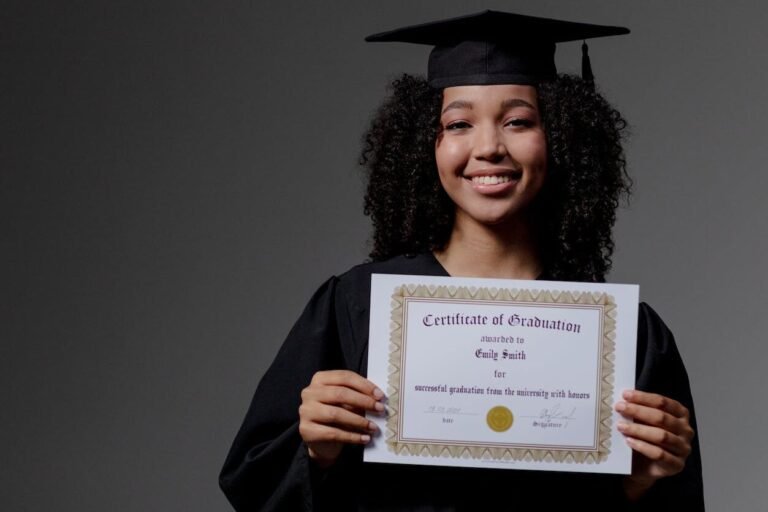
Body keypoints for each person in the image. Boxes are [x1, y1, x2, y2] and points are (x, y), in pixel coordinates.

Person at [219, 10, 704, 511]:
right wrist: (313, 453)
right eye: (458, 124)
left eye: (518, 121)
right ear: (424, 145)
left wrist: (641, 483)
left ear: (562, 136)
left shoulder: (621, 338)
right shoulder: (356, 307)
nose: (489, 147)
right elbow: (253, 485)